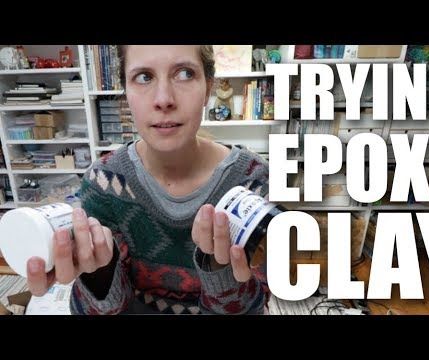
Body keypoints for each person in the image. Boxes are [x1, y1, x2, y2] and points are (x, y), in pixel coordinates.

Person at [26, 45, 269, 314]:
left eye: (185, 73)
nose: (163, 99)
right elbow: (98, 309)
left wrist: (220, 270)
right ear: (126, 94)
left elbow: (257, 303)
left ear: (208, 89)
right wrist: (99, 273)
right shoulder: (104, 182)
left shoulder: (252, 181)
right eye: (144, 77)